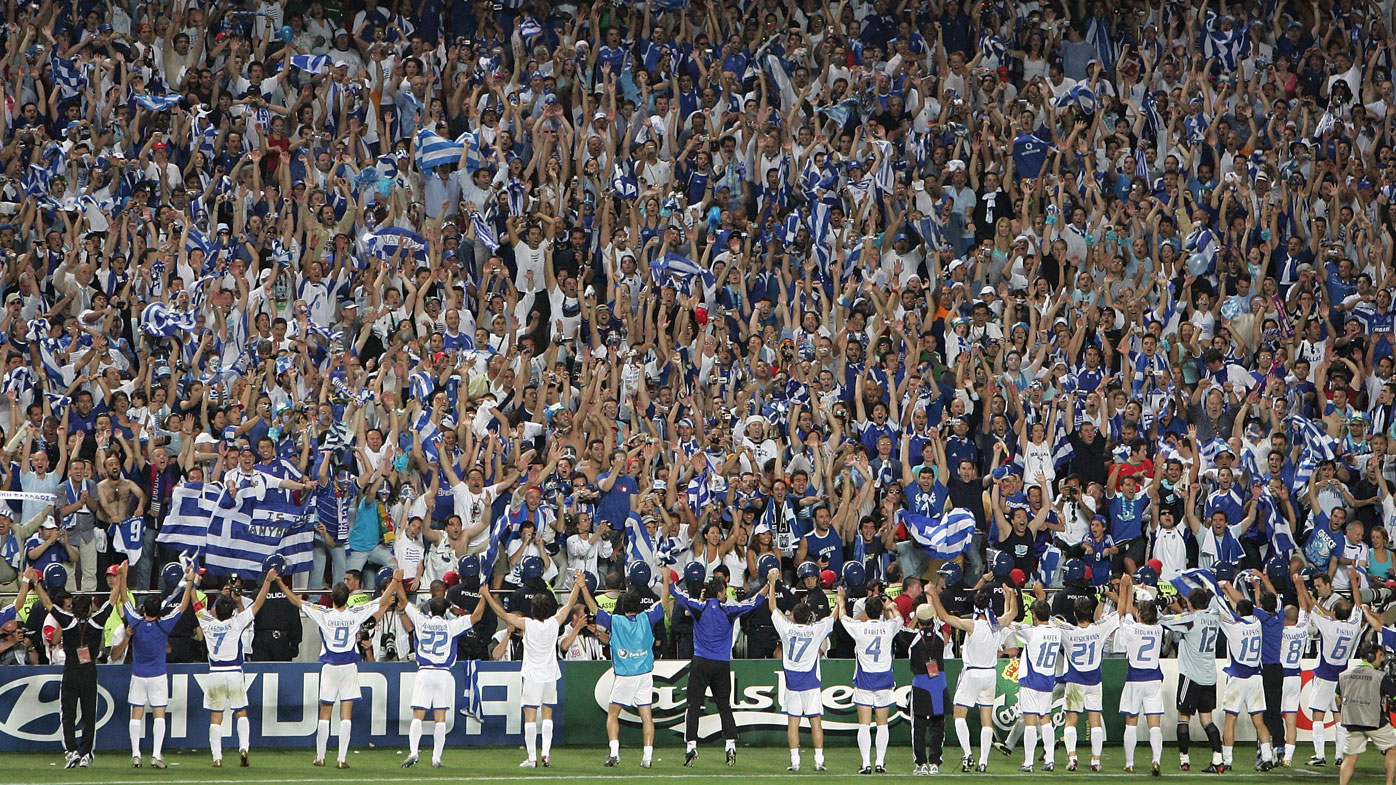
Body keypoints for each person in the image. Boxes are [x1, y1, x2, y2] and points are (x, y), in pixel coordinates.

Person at [276, 569, 401, 768]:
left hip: (330, 666)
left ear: (332, 599)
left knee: (325, 712)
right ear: (347, 599)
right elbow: (382, 599)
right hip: (349, 666)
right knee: (346, 714)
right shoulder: (355, 613)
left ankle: (320, 756)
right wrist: (395, 580)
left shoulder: (323, 613)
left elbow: (297, 601)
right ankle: (342, 759)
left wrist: (280, 583)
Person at [479, 576, 583, 768]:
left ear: (532, 610)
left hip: (534, 675)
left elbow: (502, 614)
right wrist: (577, 585)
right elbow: (569, 605)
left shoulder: (527, 624)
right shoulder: (554, 623)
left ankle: (532, 758)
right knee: (548, 714)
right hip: (550, 675)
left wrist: (486, 595)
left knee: (530, 716)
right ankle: (546, 754)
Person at [669, 573, 769, 767]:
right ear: (722, 592)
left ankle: (691, 747)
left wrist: (667, 576)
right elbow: (753, 602)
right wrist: (769, 584)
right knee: (724, 706)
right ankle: (730, 745)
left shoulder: (699, 607)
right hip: (721, 664)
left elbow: (676, 592)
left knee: (693, 706)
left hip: (700, 662)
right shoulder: (729, 609)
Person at [28, 562, 121, 767]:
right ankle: (86, 753)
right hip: (89, 673)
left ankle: (71, 751)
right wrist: (121, 576)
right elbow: (112, 600)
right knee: (89, 714)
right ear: (89, 609)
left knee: (68, 714)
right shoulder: (96, 622)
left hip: (70, 672)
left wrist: (36, 583)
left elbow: (47, 604)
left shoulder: (67, 621)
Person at [394, 574, 485, 768]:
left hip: (424, 671)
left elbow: (403, 600)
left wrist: (397, 580)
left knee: (418, 714)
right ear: (445, 611)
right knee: (440, 717)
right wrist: (484, 596)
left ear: (430, 609)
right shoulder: (451, 625)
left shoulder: (421, 621)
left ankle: (413, 751)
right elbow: (476, 617)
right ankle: (436, 757)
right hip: (443, 673)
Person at [926, 578, 1016, 772]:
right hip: (990, 675)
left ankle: (968, 755)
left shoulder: (971, 624)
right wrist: (1010, 593)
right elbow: (1013, 613)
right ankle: (983, 761)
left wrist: (933, 594)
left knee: (959, 715)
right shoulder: (997, 624)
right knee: (986, 720)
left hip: (973, 673)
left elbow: (944, 617)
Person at [583, 566, 670, 768]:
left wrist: (582, 587)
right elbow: (664, 602)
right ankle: (647, 757)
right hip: (645, 675)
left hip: (625, 675)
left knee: (613, 714)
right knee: (647, 716)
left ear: (623, 606)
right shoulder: (646, 618)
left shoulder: (616, 621)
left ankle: (614, 753)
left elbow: (594, 608)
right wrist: (666, 579)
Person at [197, 570, 277, 767]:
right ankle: (244, 748)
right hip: (234, 672)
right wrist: (267, 581)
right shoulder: (237, 622)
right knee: (241, 712)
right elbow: (258, 603)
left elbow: (195, 605)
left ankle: (217, 757)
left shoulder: (207, 623)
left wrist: (191, 583)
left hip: (215, 673)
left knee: (216, 717)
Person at [124, 560, 195, 769]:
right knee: (159, 715)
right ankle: (156, 755)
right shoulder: (164, 625)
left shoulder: (135, 622)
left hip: (138, 675)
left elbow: (123, 600)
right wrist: (189, 582)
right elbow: (182, 606)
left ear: (144, 608)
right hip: (157, 676)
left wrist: (122, 577)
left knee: (135, 715)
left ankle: (136, 754)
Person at [767, 567, 836, 772]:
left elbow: (772, 607)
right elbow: (833, 617)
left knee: (793, 722)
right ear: (809, 618)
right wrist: (840, 601)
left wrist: (772, 584)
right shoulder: (815, 630)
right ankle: (818, 760)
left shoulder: (787, 628)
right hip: (811, 682)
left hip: (792, 681)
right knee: (815, 720)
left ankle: (795, 761)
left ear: (794, 617)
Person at [838, 583, 906, 774]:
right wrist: (890, 607)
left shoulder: (858, 628)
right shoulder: (888, 627)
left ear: (866, 611)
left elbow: (843, 617)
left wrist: (841, 600)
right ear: (880, 611)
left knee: (864, 724)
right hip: (884, 678)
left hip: (864, 680)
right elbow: (899, 618)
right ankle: (880, 763)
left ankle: (866, 763)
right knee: (882, 723)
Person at [1303, 579, 1366, 767]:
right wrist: (1354, 582)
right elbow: (1357, 603)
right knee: (1338, 716)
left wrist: (1302, 589)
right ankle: (1339, 756)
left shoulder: (1328, 626)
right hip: (1342, 676)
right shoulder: (1354, 625)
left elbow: (1312, 607)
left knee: (1318, 715)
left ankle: (1320, 755)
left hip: (1324, 675)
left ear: (1334, 613)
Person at [1216, 577, 1276, 772]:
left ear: (1238, 613)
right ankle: (1267, 756)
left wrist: (1219, 593)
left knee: (1230, 720)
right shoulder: (1257, 623)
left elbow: (1225, 613)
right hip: (1256, 677)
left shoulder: (1234, 627)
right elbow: (1241, 610)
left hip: (1237, 677)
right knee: (1259, 720)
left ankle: (1227, 759)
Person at [1160, 587, 1223, 772]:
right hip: (1210, 677)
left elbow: (1163, 620)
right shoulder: (1214, 617)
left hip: (1191, 676)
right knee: (1207, 720)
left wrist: (1162, 604)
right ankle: (1218, 761)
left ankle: (1184, 761)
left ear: (1189, 603)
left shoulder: (1190, 620)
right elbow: (1215, 601)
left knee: (1183, 718)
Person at [1059, 592, 1119, 771]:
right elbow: (1121, 611)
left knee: (1071, 721)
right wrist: (1125, 587)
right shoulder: (1099, 628)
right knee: (1095, 723)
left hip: (1075, 681)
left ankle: (1072, 757)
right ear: (1091, 611)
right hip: (1094, 681)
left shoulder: (1067, 631)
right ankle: (1096, 760)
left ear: (1075, 614)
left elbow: (1047, 621)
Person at [1115, 573, 1164, 775]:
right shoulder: (1159, 629)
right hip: (1153, 680)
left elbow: (1125, 612)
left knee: (1131, 723)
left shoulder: (1132, 629)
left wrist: (1126, 588)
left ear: (1141, 615)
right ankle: (1156, 760)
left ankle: (1130, 762)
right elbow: (1147, 610)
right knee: (1154, 725)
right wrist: (1137, 588)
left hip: (1135, 679)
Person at [1008, 592, 1063, 772]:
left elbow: (1010, 624)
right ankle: (1050, 760)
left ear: (1034, 615)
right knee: (1045, 720)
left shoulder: (1031, 632)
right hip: (1048, 682)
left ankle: (1029, 762)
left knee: (1030, 721)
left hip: (1031, 681)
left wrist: (1009, 602)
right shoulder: (1056, 631)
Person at [1335, 636, 1396, 785]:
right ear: (1371, 656)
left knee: (1350, 756)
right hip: (1374, 721)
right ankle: (1389, 783)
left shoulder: (1344, 675)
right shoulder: (1380, 677)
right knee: (1393, 748)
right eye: (1380, 655)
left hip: (1351, 721)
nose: (1381, 659)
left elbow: (1338, 698)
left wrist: (1345, 711)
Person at [908, 603, 949, 775]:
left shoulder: (912, 637)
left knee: (918, 725)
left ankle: (921, 763)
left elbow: (903, 630)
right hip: (939, 683)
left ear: (918, 619)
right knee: (938, 725)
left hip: (921, 683)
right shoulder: (940, 636)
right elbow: (943, 626)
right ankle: (934, 762)